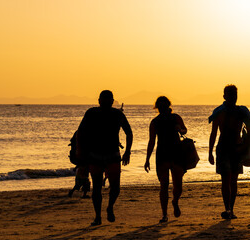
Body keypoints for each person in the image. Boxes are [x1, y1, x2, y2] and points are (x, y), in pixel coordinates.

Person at [76, 90, 133, 226]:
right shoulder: (91, 113)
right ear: (99, 100)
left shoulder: (117, 114)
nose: (106, 101)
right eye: (104, 99)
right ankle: (97, 217)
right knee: (96, 188)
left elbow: (129, 133)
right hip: (94, 155)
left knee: (116, 188)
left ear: (112, 101)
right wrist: (80, 151)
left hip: (113, 155)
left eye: (109, 99)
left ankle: (110, 207)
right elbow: (80, 133)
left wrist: (128, 152)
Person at [208, 85, 250, 219]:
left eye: (234, 95)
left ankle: (231, 209)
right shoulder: (219, 112)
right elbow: (213, 133)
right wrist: (210, 152)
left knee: (233, 180)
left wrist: (245, 146)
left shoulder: (242, 111)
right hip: (223, 148)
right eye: (230, 95)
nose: (232, 97)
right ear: (224, 96)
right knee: (226, 179)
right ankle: (227, 209)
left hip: (237, 148)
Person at [144, 96, 187, 223]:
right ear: (157, 107)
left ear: (168, 105)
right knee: (163, 185)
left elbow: (184, 130)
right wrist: (147, 159)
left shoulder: (176, 118)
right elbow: (151, 141)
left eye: (164, 105)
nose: (162, 108)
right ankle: (164, 214)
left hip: (176, 153)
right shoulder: (155, 122)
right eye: (160, 106)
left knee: (178, 186)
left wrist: (180, 129)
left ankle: (175, 201)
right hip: (162, 155)